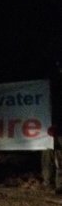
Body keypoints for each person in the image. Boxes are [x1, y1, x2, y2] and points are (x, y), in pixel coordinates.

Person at [41, 60, 62, 194]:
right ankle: (48, 183)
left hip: (58, 127)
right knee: (47, 156)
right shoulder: (47, 85)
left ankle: (59, 185)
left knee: (59, 156)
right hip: (45, 126)